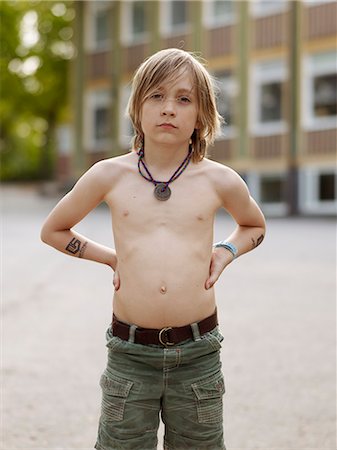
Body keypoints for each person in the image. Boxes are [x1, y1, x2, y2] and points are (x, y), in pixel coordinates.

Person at [41, 48, 266, 450]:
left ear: (201, 115)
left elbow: (254, 225)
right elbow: (54, 229)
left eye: (183, 99)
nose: (169, 108)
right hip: (130, 354)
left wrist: (225, 252)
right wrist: (110, 257)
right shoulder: (108, 174)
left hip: (198, 352)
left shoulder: (219, 180)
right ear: (137, 108)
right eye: (156, 96)